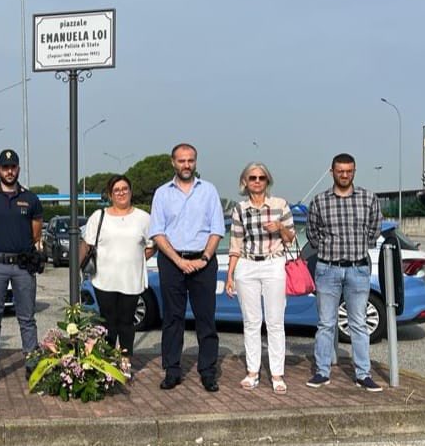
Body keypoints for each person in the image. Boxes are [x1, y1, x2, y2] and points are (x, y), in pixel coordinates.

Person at [149, 143, 225, 392]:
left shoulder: (209, 191)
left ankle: (207, 371)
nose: (186, 165)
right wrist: (179, 260)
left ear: (196, 162)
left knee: (206, 319)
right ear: (173, 162)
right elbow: (157, 232)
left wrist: (204, 258)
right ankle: (172, 370)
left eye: (190, 160)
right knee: (172, 318)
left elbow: (216, 230)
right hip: (172, 261)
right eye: (181, 161)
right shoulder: (162, 193)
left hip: (203, 261)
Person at [306, 153, 383, 392]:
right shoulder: (319, 201)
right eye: (340, 170)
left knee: (358, 323)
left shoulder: (368, 198)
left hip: (358, 268)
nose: (345, 175)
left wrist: (358, 247)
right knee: (325, 323)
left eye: (349, 170)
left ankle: (363, 374)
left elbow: (374, 229)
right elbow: (312, 233)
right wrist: (330, 249)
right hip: (327, 268)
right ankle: (322, 372)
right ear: (332, 172)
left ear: (354, 171)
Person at [0, 149, 43, 387]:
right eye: (5, 167)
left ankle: (32, 364)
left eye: (13, 167)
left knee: (27, 318)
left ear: (18, 170)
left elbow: (36, 231)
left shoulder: (31, 198)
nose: (9, 171)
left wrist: (23, 247)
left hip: (23, 266)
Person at [225, 162, 295, 394]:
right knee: (251, 322)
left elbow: (291, 239)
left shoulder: (279, 205)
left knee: (275, 322)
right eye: (252, 177)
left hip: (274, 263)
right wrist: (230, 275)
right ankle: (252, 372)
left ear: (268, 181)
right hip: (246, 265)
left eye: (261, 178)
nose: (257, 181)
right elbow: (235, 244)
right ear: (245, 182)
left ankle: (277, 374)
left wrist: (279, 228)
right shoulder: (240, 209)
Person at [78, 175, 154, 356]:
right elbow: (87, 244)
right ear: (110, 195)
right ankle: (108, 360)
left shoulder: (143, 218)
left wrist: (136, 259)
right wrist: (76, 268)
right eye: (116, 190)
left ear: (131, 191)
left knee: (127, 322)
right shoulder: (99, 216)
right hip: (104, 279)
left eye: (124, 189)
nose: (121, 193)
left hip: (131, 280)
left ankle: (126, 360)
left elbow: (151, 245)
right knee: (108, 322)